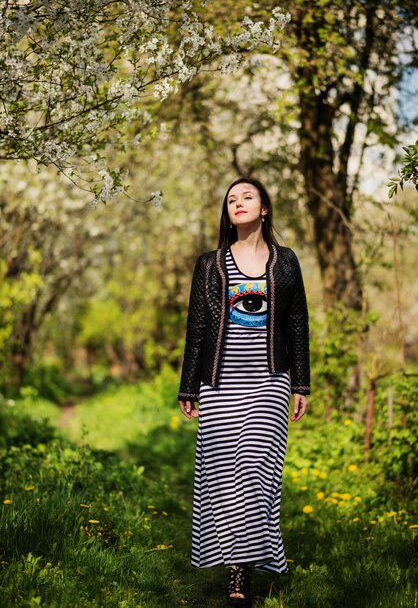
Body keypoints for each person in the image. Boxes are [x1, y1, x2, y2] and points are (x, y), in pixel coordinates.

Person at [177, 177, 310, 606]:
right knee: (225, 479)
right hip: (219, 383)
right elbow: (197, 326)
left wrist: (302, 383)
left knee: (255, 471)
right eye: (231, 199)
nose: (238, 203)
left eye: (247, 196)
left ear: (265, 208)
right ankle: (238, 567)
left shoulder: (286, 262)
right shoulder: (210, 264)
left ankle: (240, 575)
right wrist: (188, 385)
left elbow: (297, 325)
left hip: (270, 382)